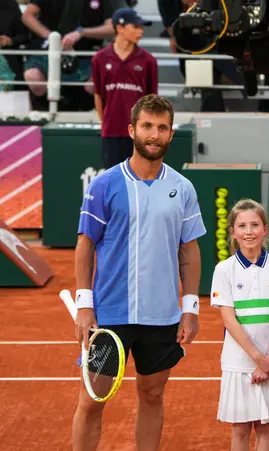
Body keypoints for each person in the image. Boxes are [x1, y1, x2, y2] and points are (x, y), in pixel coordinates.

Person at [72, 94, 206, 451]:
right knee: (93, 398)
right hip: (109, 314)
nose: (154, 134)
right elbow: (85, 246)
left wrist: (190, 308)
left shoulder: (183, 189)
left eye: (161, 128)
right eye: (147, 126)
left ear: (171, 134)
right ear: (132, 130)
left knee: (152, 394)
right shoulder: (104, 185)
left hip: (162, 316)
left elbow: (189, 251)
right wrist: (85, 306)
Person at [210, 198, 269, 451]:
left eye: (255, 225)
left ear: (265, 230)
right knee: (239, 428)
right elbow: (229, 320)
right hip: (239, 364)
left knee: (264, 427)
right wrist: (260, 359)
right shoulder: (224, 270)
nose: (249, 232)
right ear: (233, 233)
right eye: (242, 226)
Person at [91, 8, 157, 169]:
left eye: (141, 28)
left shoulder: (148, 61)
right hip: (111, 132)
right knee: (114, 181)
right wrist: (105, 122)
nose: (140, 31)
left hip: (139, 134)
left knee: (139, 180)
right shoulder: (99, 59)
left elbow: (152, 100)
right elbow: (98, 95)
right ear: (119, 28)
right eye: (135, 27)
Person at [21, 0, 117, 111]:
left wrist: (82, 32)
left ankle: (85, 111)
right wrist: (52, 37)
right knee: (33, 76)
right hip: (47, 50)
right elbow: (27, 16)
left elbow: (112, 28)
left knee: (97, 80)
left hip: (85, 54)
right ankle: (44, 112)